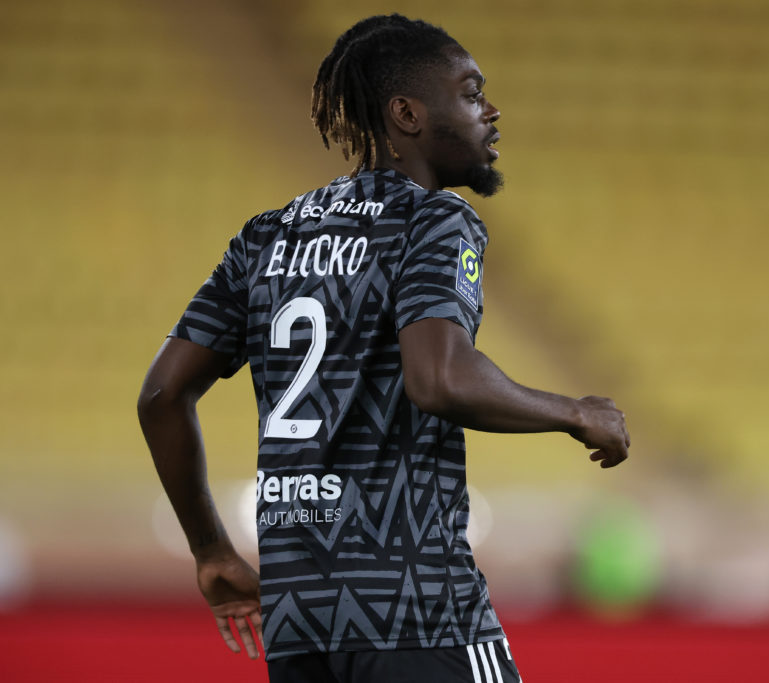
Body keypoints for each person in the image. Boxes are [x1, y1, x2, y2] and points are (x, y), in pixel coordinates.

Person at [138, 13, 630, 683]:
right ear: (407, 113)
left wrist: (211, 549)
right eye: (470, 91)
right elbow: (440, 378)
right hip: (415, 605)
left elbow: (162, 395)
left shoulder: (266, 236)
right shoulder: (433, 218)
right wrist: (577, 412)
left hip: (299, 619)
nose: (490, 110)